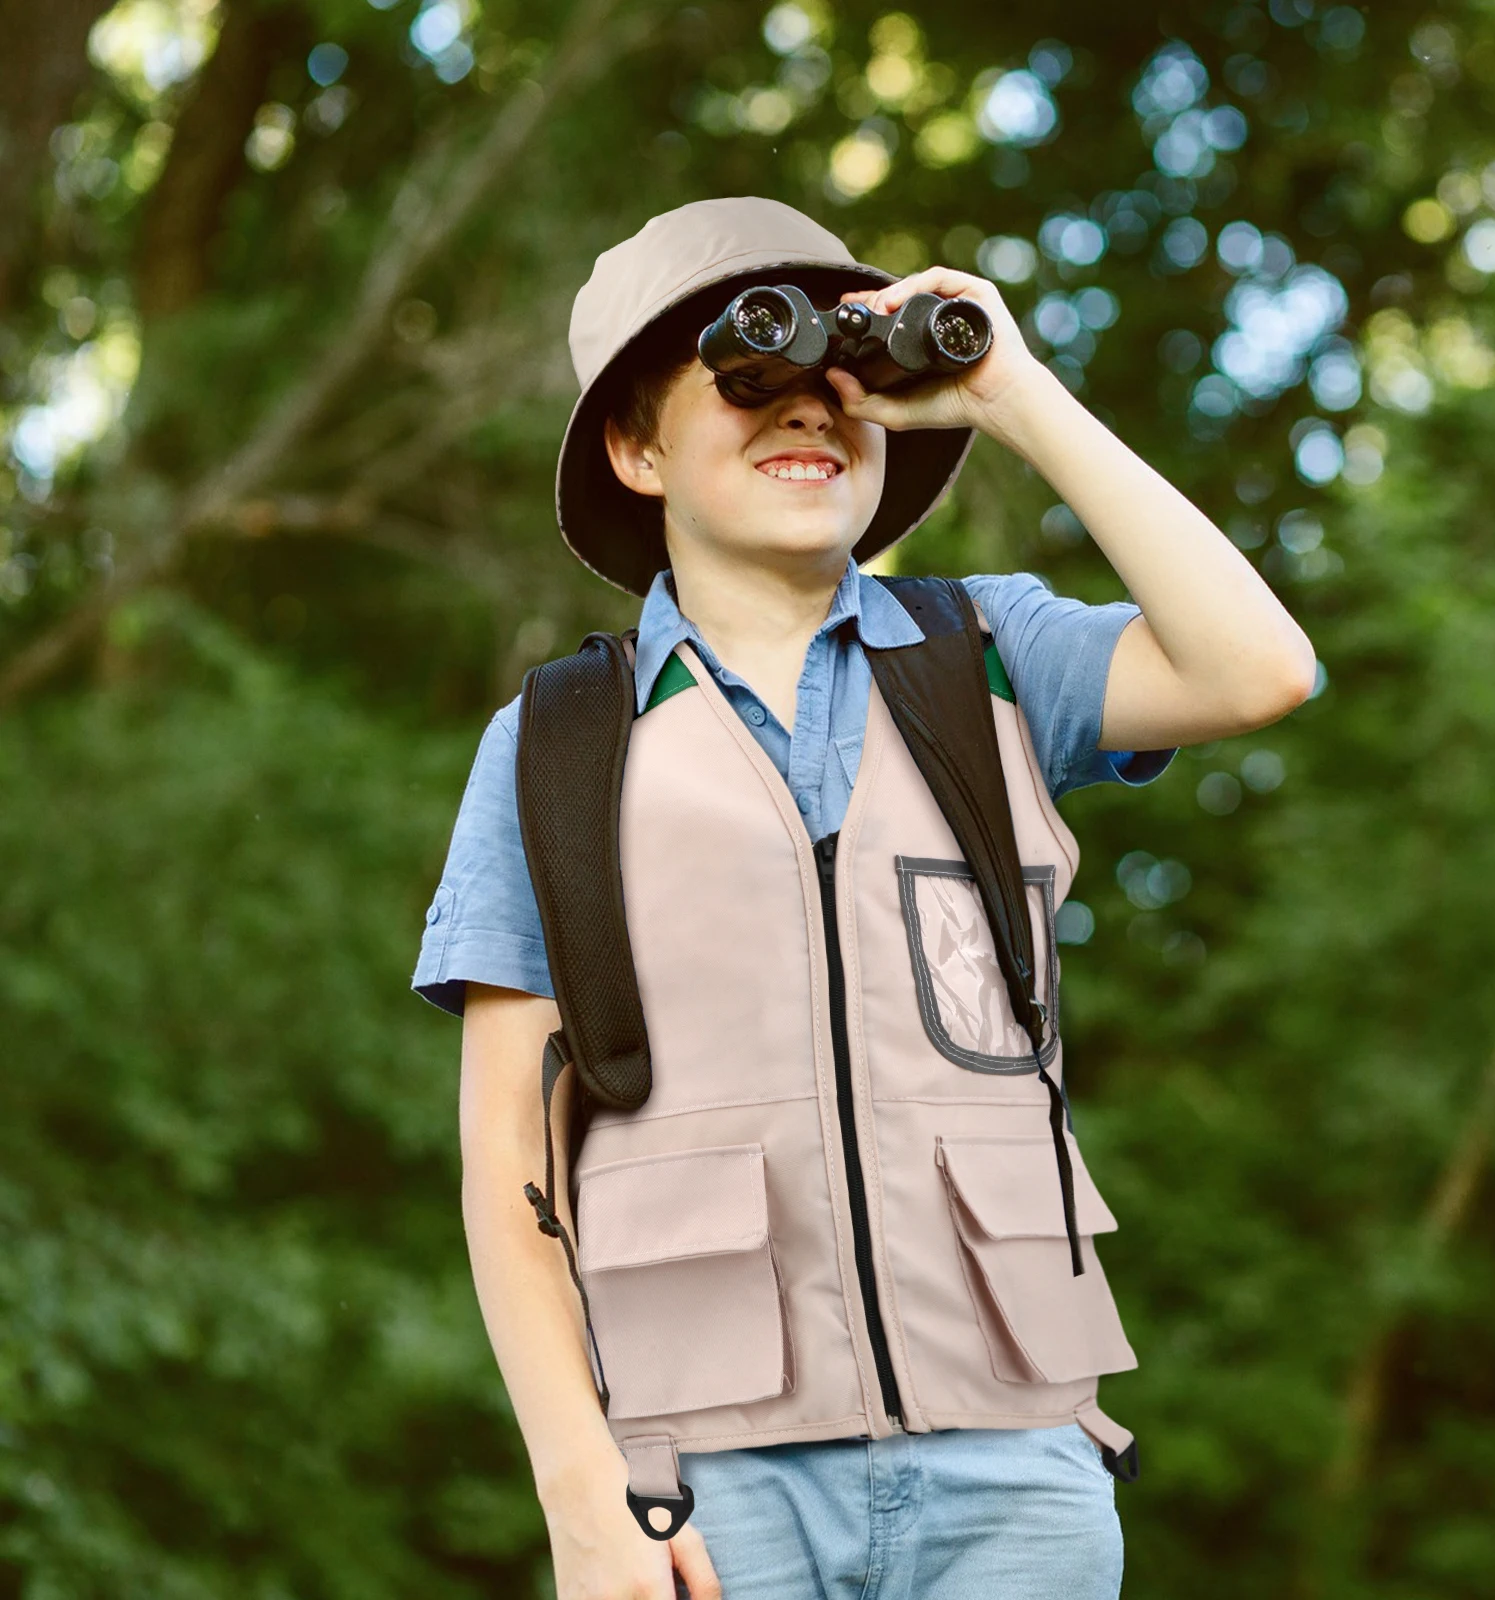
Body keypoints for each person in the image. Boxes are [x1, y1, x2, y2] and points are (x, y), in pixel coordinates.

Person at [413, 197, 1316, 1600]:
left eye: (846, 375)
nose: (812, 412)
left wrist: (1011, 389)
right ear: (637, 447)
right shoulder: (557, 744)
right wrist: (583, 1492)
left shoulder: (988, 654)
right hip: (705, 1487)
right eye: (750, 372)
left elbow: (1259, 668)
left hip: (1016, 1471)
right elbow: (506, 1163)